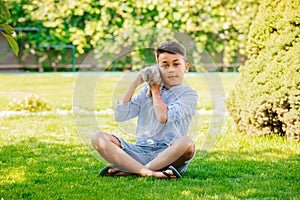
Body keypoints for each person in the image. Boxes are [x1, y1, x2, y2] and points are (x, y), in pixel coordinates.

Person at [91, 41, 198, 179]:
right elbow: (120, 115)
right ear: (158, 68)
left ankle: (133, 171)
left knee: (187, 144)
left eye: (176, 64)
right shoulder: (146, 92)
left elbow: (163, 117)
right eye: (165, 65)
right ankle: (148, 172)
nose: (171, 69)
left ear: (186, 67)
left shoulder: (188, 95)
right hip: (140, 152)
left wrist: (155, 90)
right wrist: (136, 81)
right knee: (98, 138)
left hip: (169, 155)